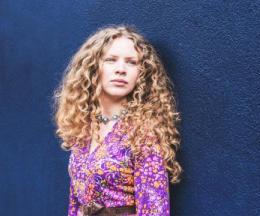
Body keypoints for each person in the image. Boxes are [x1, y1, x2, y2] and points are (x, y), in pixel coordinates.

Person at [53, 24, 182, 216]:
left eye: (132, 62)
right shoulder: (84, 128)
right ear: (93, 67)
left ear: (142, 72)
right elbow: (76, 202)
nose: (121, 69)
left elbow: (155, 210)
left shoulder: (142, 134)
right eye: (111, 60)